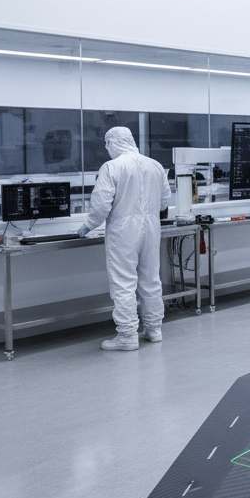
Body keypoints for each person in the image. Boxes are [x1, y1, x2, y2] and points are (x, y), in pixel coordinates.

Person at [79, 126, 171, 352]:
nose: (107, 149)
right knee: (151, 279)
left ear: (112, 143)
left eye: (107, 145)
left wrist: (87, 226)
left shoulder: (112, 167)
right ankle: (154, 329)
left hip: (123, 231)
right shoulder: (155, 165)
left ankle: (127, 335)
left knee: (123, 282)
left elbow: (101, 205)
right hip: (152, 228)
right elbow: (164, 201)